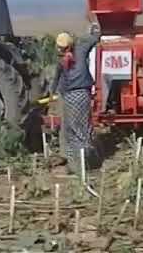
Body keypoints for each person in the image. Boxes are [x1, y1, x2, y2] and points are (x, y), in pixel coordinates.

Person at [49, 22, 102, 173]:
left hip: (68, 97)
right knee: (83, 128)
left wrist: (51, 93)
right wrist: (93, 30)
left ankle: (79, 166)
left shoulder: (61, 59)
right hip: (83, 95)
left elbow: (55, 79)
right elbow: (94, 39)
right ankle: (89, 160)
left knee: (72, 131)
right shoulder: (81, 49)